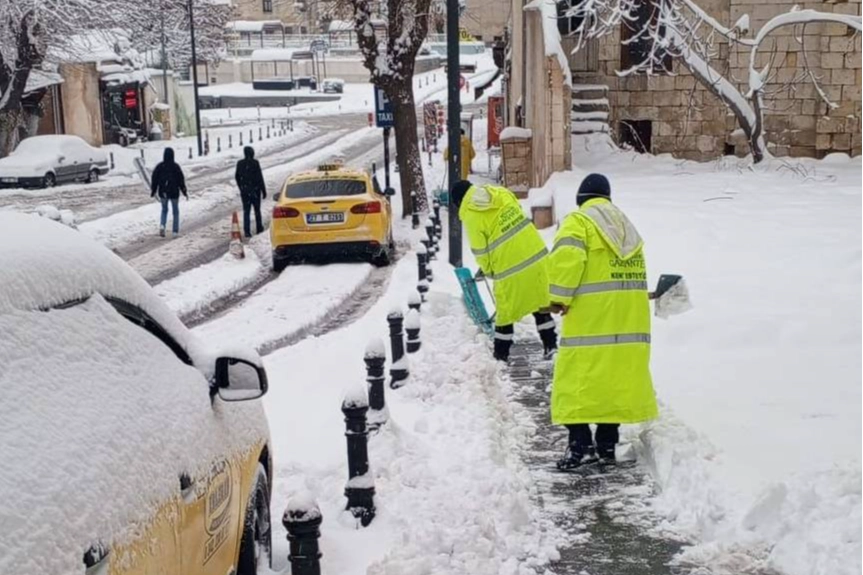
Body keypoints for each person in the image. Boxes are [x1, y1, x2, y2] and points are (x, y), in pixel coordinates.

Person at [547, 173, 658, 469]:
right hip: (627, 321)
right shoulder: (625, 226)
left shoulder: (579, 222)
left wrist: (558, 299)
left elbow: (567, 262)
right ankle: (607, 444)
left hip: (591, 321)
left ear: (581, 199)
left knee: (575, 382)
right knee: (614, 381)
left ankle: (581, 445)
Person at [451, 179, 558, 362]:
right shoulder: (498, 193)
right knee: (541, 305)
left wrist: (489, 270)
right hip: (536, 255)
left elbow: (481, 250)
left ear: (460, 201)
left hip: (510, 267)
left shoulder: (471, 213)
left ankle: (501, 356)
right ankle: (551, 346)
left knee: (505, 313)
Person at [150, 147, 188, 237]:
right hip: (174, 192)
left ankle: (162, 226)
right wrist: (184, 191)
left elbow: (154, 178)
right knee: (175, 211)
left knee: (164, 210)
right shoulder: (176, 167)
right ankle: (175, 231)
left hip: (163, 191)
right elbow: (181, 180)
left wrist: (153, 190)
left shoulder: (160, 167)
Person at [234, 146, 267, 237]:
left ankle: (247, 231)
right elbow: (260, 178)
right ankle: (259, 228)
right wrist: (263, 190)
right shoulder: (255, 163)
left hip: (245, 192)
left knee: (246, 211)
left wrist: (241, 187)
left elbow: (237, 176)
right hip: (255, 191)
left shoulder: (240, 163)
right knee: (257, 210)